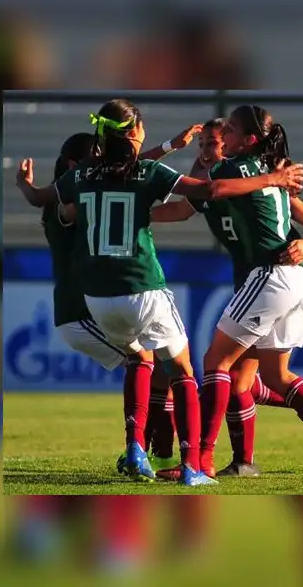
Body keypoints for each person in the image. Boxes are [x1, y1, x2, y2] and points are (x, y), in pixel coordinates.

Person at [15, 98, 303, 487]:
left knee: (142, 362)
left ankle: (138, 448)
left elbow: (39, 197)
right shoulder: (147, 172)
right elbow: (212, 189)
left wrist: (24, 184)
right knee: (186, 371)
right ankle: (192, 467)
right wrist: (273, 179)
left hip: (98, 301)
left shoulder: (83, 175)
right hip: (142, 287)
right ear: (135, 133)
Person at [152, 117, 303, 478]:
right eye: (203, 144)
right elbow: (180, 208)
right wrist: (137, 218)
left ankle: (214, 460)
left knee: (226, 369)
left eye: (214, 143)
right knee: (248, 377)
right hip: (253, 283)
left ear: (235, 146)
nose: (206, 151)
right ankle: (247, 460)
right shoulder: (216, 185)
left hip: (271, 280)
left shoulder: (247, 179)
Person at [36, 126, 202, 472]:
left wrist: (170, 147)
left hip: (91, 308)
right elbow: (123, 178)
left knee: (157, 367)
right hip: (80, 314)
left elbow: (126, 172)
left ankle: (151, 449)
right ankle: (146, 450)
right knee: (153, 365)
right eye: (94, 159)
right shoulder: (67, 206)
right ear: (73, 164)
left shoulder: (80, 191)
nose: (103, 165)